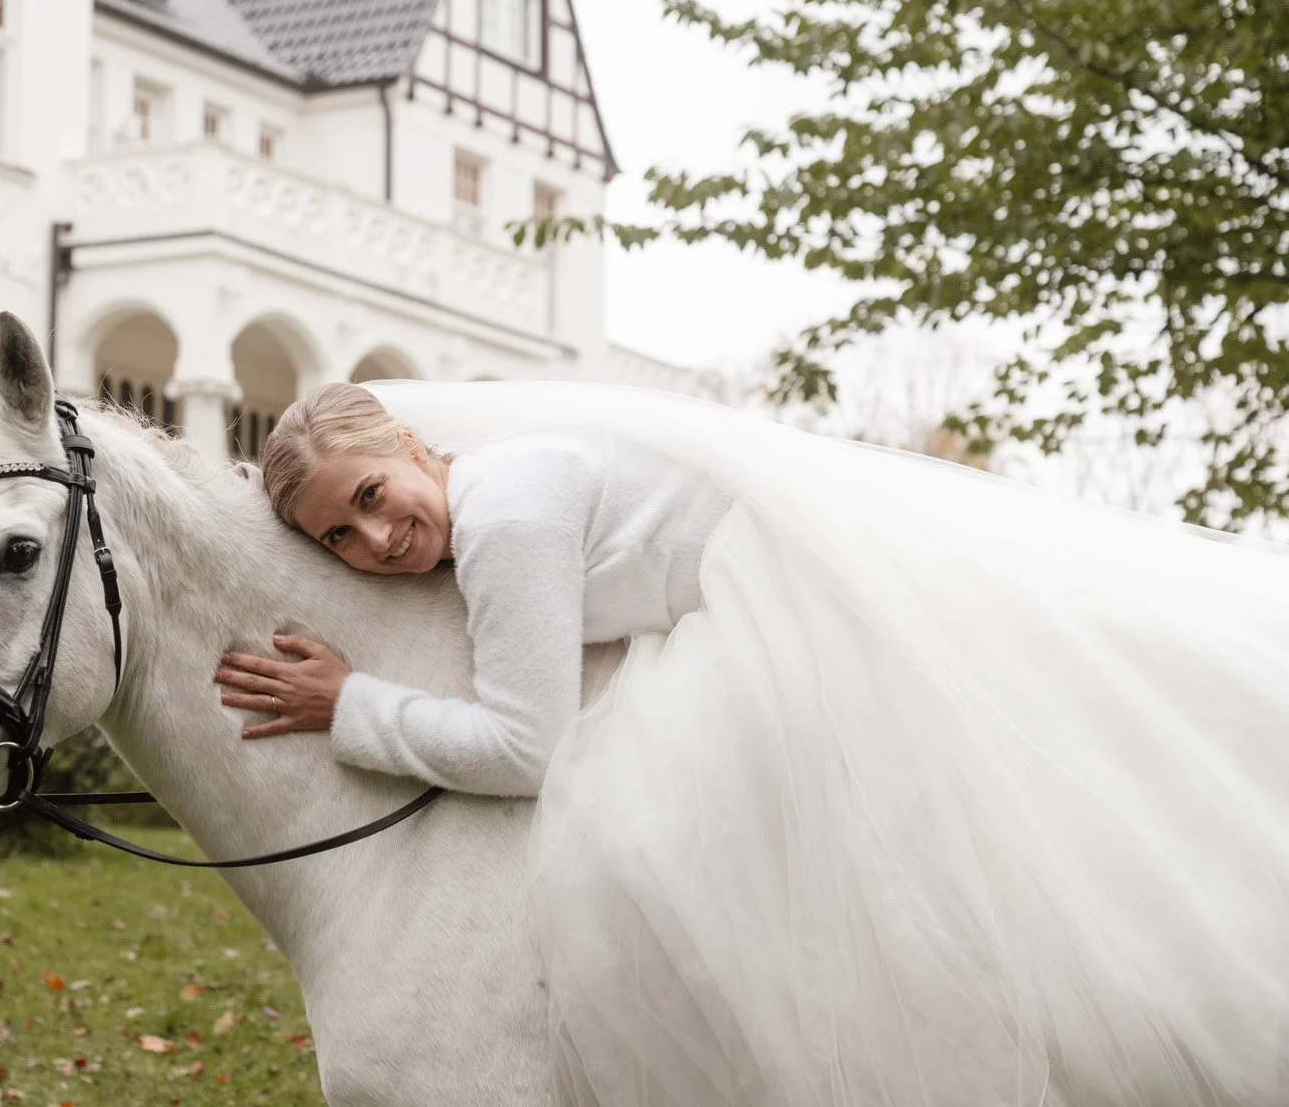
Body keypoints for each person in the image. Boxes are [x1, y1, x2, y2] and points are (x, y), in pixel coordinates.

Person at [212, 379, 1289, 1107]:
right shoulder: (495, 491)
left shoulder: (506, 517)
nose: (374, 538)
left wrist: (352, 705)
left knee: (655, 856)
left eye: (368, 495)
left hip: (782, 631)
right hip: (754, 607)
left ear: (408, 446)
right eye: (336, 538)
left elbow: (529, 746)